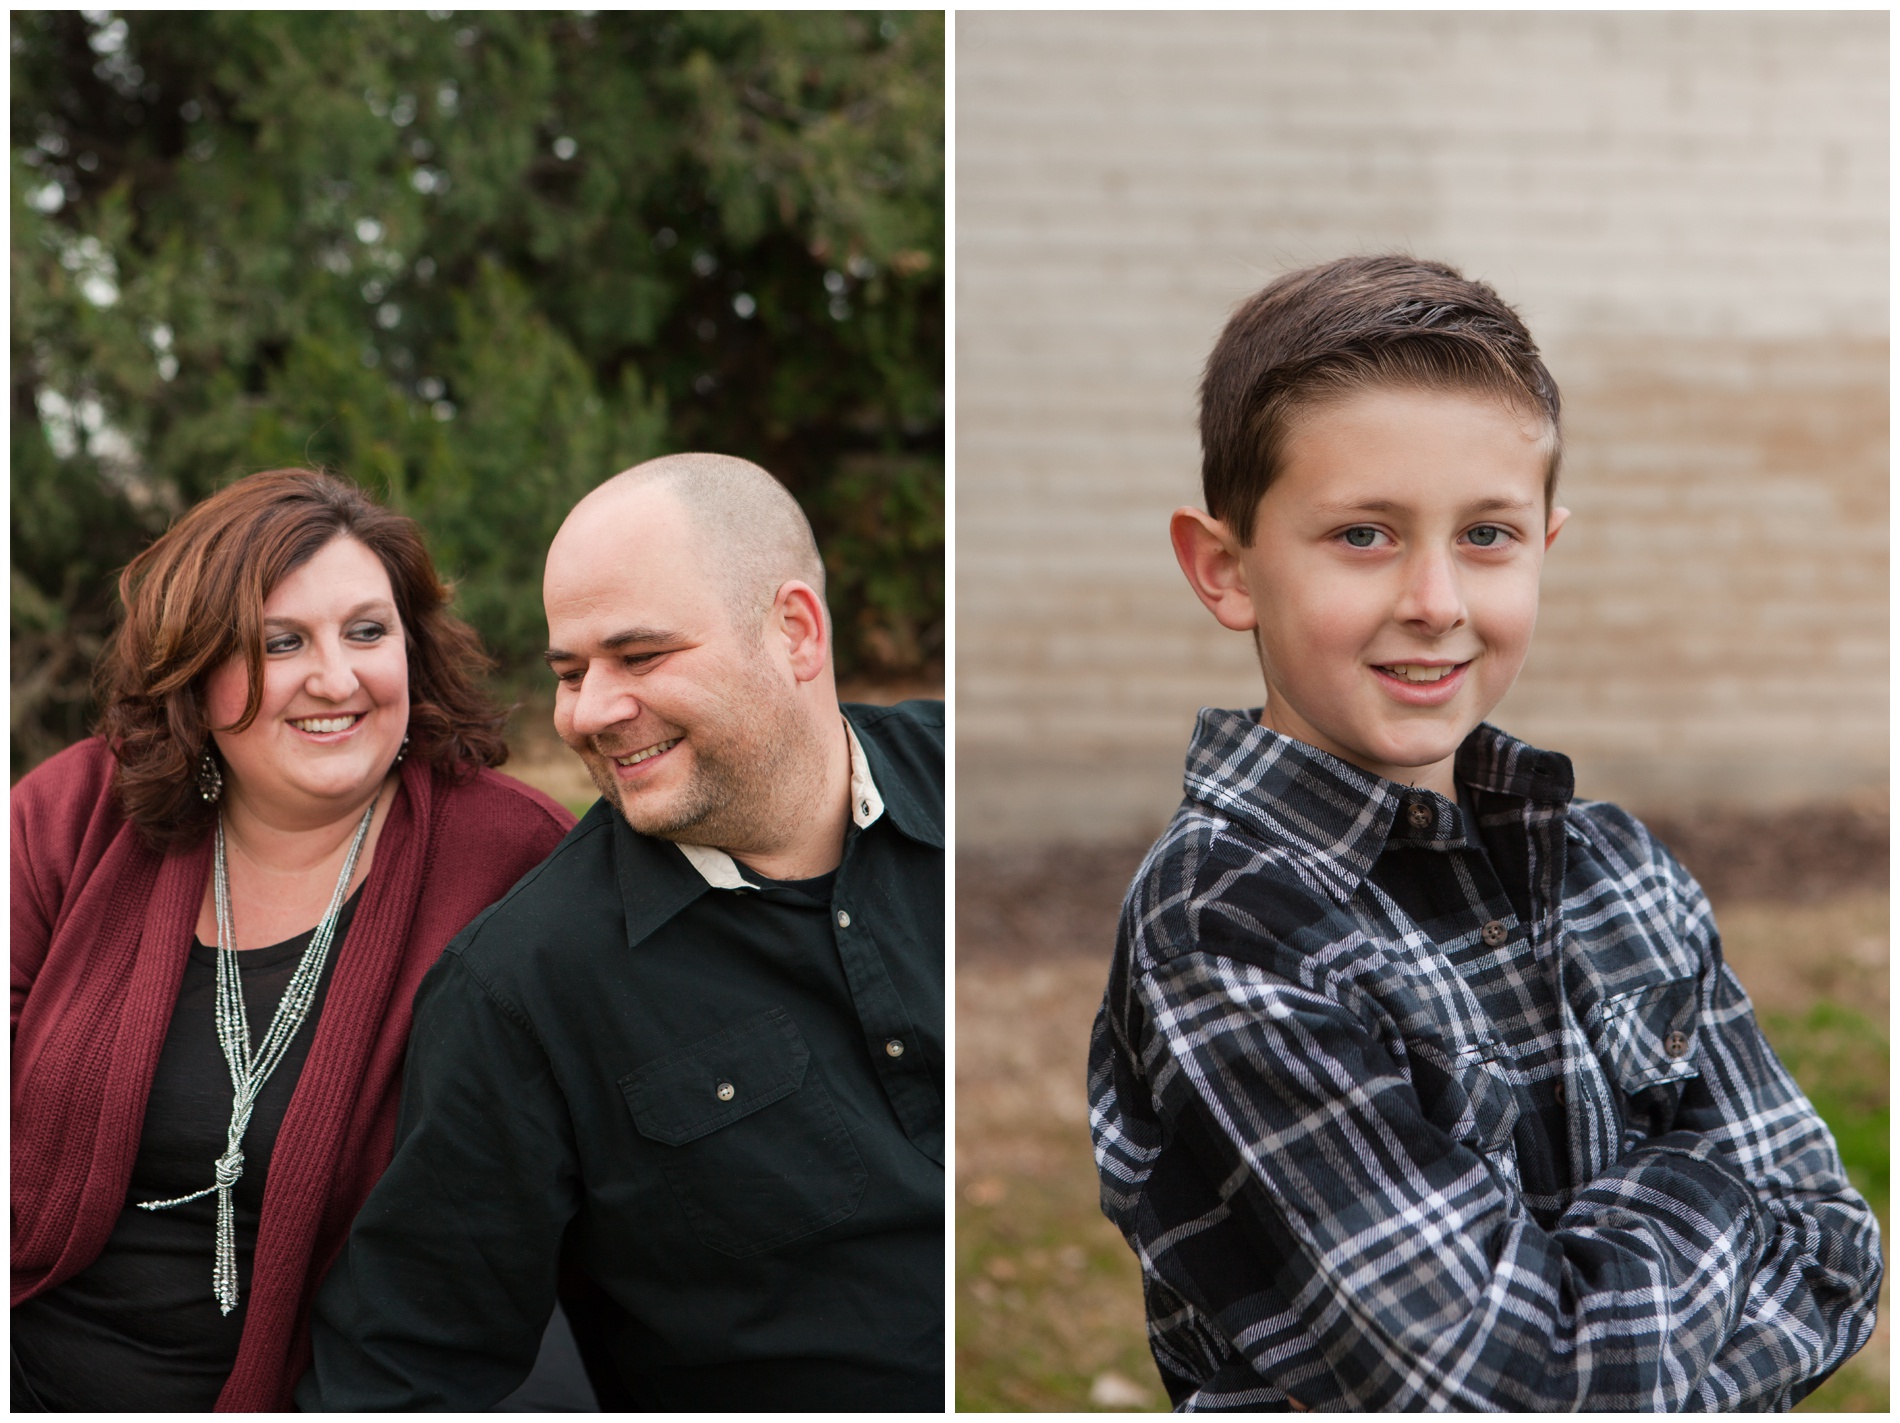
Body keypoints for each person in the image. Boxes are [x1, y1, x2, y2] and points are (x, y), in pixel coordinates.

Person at [1088, 256, 1882, 1410]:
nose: (1436, 601)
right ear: (1226, 568)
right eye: (1362, 535)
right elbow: (1514, 1389)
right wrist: (1708, 1181)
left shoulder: (1614, 864)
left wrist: (1601, 1303)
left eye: (1487, 536)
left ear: (1546, 544)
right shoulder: (1224, 924)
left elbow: (1836, 1248)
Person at [298, 452, 944, 1411]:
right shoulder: (523, 987)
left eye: (640, 657)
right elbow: (406, 1369)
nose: (589, 712)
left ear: (796, 631)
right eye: (570, 671)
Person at [10, 469, 577, 1412]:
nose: (336, 678)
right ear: (194, 668)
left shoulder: (516, 862)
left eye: (367, 630)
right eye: (280, 642)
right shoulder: (75, 815)